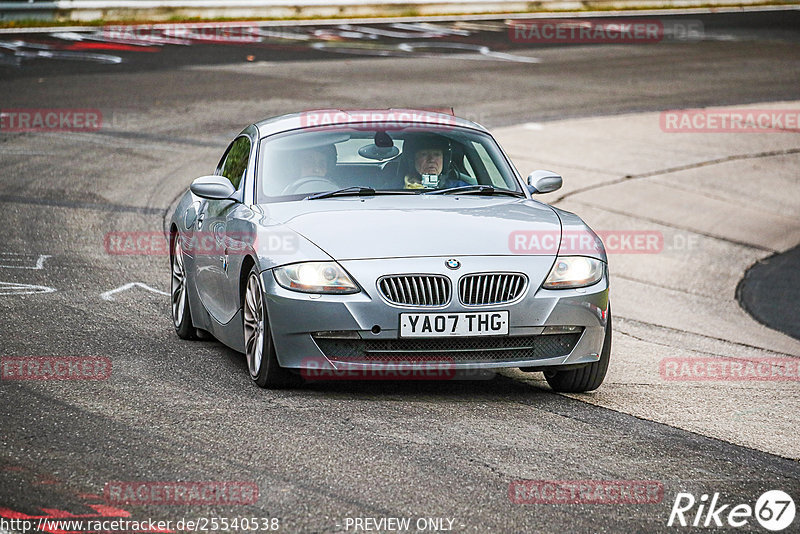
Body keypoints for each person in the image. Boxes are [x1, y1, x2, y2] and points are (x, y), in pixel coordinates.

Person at [401, 135, 471, 190]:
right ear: (412, 160)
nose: (431, 160)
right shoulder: (395, 187)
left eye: (437, 154)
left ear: (445, 161)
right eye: (424, 154)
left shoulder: (460, 189)